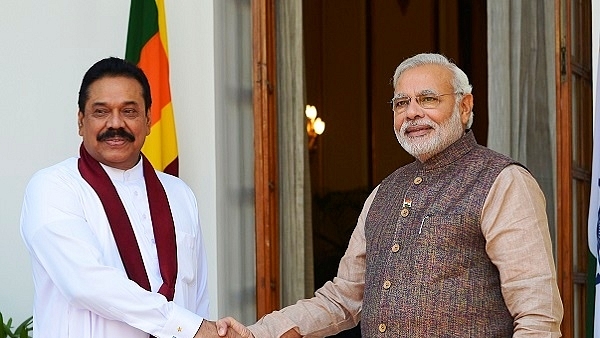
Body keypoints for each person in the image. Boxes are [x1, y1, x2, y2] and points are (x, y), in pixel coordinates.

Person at [216, 53, 564, 337]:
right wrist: (256, 333)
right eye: (401, 103)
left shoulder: (503, 181)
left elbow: (538, 316)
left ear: (464, 106)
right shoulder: (385, 192)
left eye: (427, 99)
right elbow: (342, 300)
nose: (412, 112)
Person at [20, 57, 241, 338]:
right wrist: (190, 328)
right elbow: (86, 284)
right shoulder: (53, 187)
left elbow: (196, 296)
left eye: (129, 111)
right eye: (101, 112)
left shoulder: (179, 194)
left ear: (148, 120)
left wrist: (199, 328)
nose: (116, 124)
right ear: (80, 121)